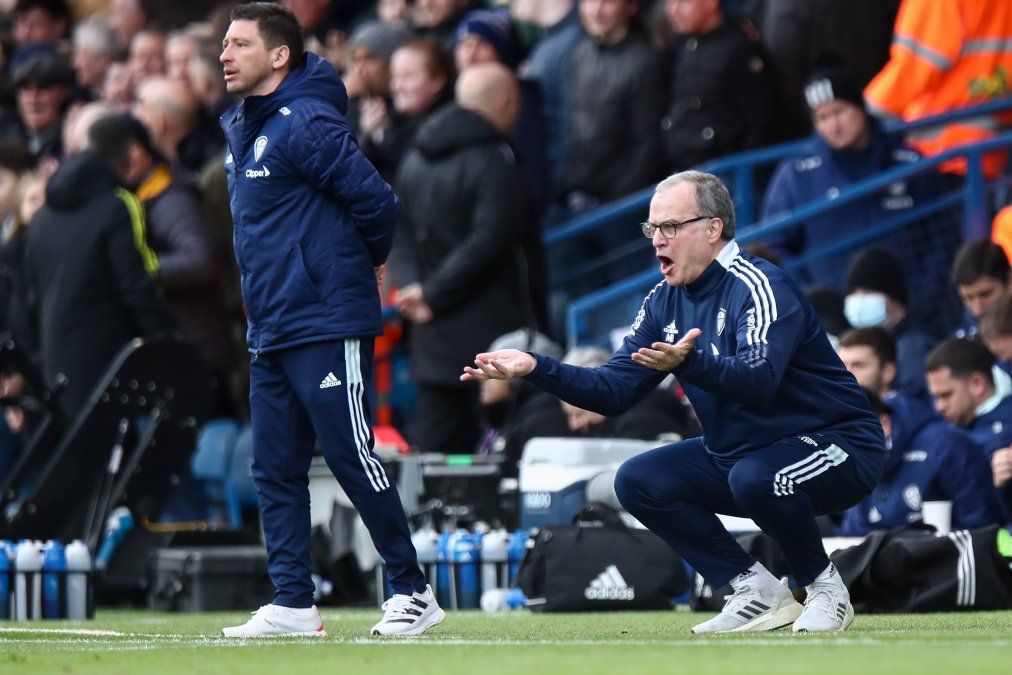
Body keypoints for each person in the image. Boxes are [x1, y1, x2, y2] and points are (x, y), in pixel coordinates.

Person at [463, 170, 885, 633]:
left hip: (838, 446)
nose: (656, 241)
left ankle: (825, 589)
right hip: (745, 457)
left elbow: (758, 381)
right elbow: (613, 391)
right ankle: (755, 589)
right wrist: (536, 367)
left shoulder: (761, 286)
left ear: (712, 229)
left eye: (669, 227)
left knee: (755, 475)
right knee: (639, 479)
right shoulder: (664, 301)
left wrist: (690, 362)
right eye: (651, 229)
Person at [216, 3, 442, 638]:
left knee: (350, 455)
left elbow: (378, 204)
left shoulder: (306, 120)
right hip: (272, 322)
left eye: (239, 44)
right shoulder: (244, 124)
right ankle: (292, 601)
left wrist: (361, 267)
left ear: (279, 55)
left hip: (322, 317)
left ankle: (411, 589)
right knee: (274, 467)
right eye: (223, 44)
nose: (224, 55)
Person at [390, 63, 531, 456]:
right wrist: (431, 294)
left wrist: (414, 287)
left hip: (430, 336)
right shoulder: (495, 157)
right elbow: (491, 239)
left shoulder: (413, 155)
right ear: (503, 102)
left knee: (436, 456)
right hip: (491, 335)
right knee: (497, 453)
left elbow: (395, 227)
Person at [761, 66, 959, 310]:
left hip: (913, 313)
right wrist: (810, 299)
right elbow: (772, 247)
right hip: (828, 318)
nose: (833, 126)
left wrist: (922, 300)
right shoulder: (796, 174)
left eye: (839, 112)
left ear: (861, 108)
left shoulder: (908, 163)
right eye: (822, 118)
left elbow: (942, 237)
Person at [19, 113, 175, 421]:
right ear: (131, 154)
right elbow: (137, 285)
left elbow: (28, 298)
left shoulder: (41, 217)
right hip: (112, 365)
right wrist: (168, 343)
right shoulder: (117, 205)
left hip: (56, 367)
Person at [838, 389, 1006, 536]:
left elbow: (981, 526)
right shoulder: (856, 463)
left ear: (884, 424)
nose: (847, 445)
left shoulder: (946, 446)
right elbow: (852, 535)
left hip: (948, 562)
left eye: (853, 434)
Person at [925, 338, 1012, 516]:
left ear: (977, 384)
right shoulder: (949, 425)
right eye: (936, 397)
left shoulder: (1006, 431)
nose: (939, 406)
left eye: (946, 395)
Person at [844, 246, 939, 396]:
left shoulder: (912, 346)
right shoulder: (892, 343)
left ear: (893, 297)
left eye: (868, 292)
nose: (859, 300)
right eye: (854, 293)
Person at [950, 239, 1010, 340]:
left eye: (985, 294)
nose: (978, 310)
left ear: (1009, 280)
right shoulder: (968, 340)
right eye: (968, 298)